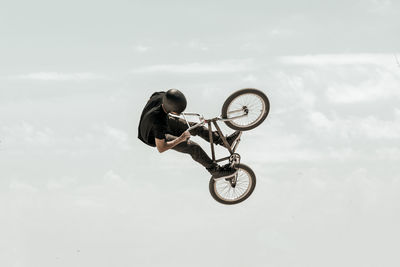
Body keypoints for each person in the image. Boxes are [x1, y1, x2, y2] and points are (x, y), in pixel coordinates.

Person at [138, 89, 241, 179]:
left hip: (160, 119)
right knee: (192, 147)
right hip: (150, 136)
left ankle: (223, 141)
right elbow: (161, 148)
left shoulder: (161, 96)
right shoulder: (158, 122)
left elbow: (151, 98)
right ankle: (215, 171)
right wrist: (181, 138)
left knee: (195, 127)